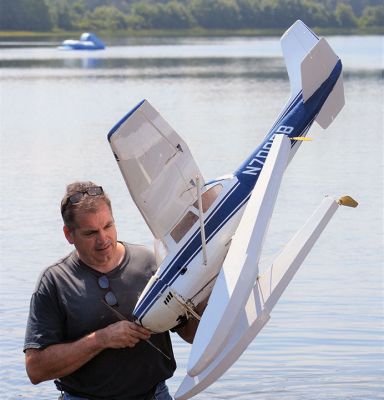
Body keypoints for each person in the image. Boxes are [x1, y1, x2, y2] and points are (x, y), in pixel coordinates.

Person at [24, 181, 200, 400]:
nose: (103, 239)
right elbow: (36, 369)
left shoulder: (152, 263)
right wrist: (101, 339)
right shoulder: (54, 282)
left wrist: (205, 286)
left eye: (108, 226)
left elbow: (192, 334)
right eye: (90, 233)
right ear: (69, 234)